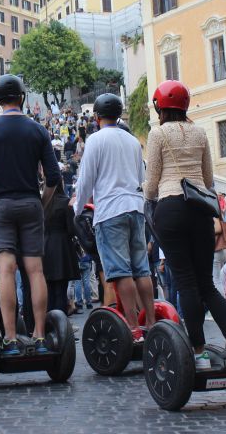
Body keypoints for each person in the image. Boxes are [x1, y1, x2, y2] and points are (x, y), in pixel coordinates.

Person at [144, 80, 226, 371]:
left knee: (186, 283)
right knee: (207, 284)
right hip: (200, 210)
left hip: (170, 207)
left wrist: (146, 196)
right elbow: (208, 178)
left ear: (160, 106)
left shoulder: (157, 134)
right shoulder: (201, 132)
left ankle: (200, 353)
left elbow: (152, 182)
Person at [0, 74, 61, 356]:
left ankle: (9, 338)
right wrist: (41, 204)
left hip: (0, 204)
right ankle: (40, 336)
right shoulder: (38, 130)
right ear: (22, 97)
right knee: (35, 270)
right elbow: (54, 178)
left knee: (6, 269)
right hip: (30, 201)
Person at [72, 93, 154, 341]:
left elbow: (85, 180)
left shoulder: (95, 140)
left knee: (120, 271)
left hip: (110, 210)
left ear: (96, 117)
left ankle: (132, 327)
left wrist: (77, 210)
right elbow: (142, 175)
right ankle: (151, 322)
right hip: (135, 207)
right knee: (141, 269)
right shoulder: (132, 141)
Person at [44, 181, 79, 314]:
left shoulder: (43, 203)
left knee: (49, 289)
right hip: (62, 248)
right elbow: (71, 229)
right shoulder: (66, 202)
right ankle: (60, 323)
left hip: (45, 247)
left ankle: (48, 322)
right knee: (60, 289)